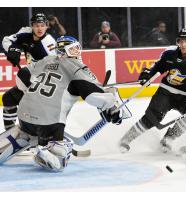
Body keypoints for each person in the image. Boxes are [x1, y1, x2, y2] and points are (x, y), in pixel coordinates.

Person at [0, 36, 123, 171]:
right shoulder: (77, 68)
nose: (77, 52)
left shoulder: (45, 60)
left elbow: (21, 77)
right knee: (59, 162)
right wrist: (111, 104)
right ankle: (45, 150)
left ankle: (23, 137)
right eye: (73, 49)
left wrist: (34, 94)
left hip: (24, 116)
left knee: (28, 129)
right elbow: (93, 96)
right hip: (49, 123)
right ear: (65, 51)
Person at [119, 28, 186, 153]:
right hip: (166, 91)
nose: (183, 44)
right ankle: (126, 139)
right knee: (153, 117)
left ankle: (168, 139)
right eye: (181, 41)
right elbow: (157, 66)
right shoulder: (169, 52)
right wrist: (147, 74)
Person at [1, 13, 56, 131]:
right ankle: (11, 134)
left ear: (47, 26)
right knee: (8, 98)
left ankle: (43, 132)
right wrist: (13, 49)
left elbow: (55, 69)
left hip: (44, 86)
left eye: (42, 25)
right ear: (32, 26)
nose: (40, 28)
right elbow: (7, 40)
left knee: (29, 108)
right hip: (31, 80)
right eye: (36, 25)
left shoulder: (48, 43)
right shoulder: (25, 32)